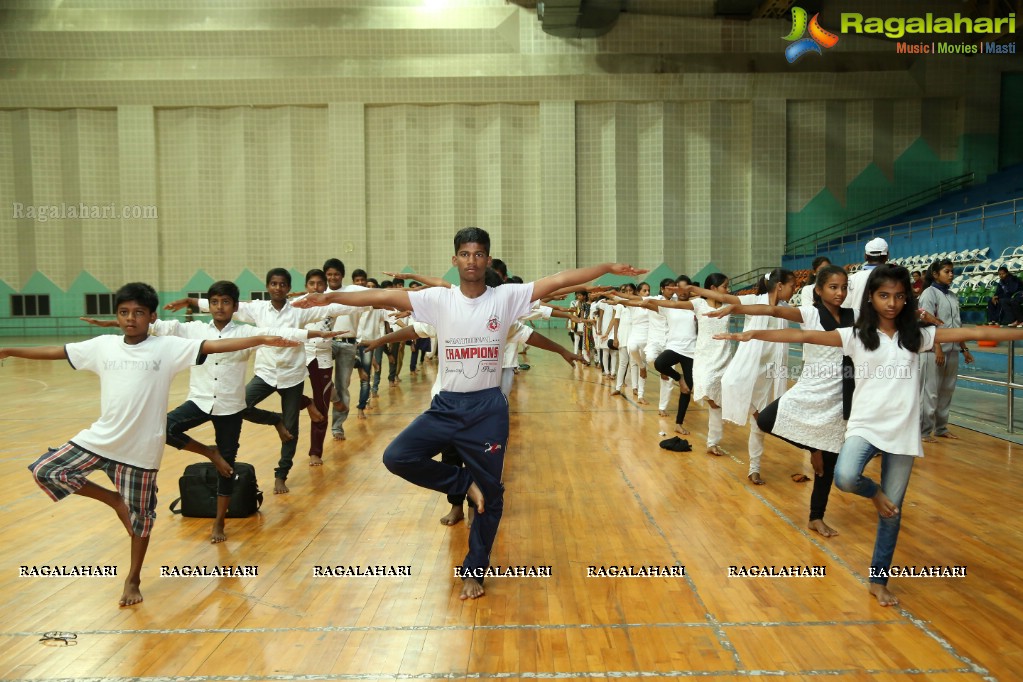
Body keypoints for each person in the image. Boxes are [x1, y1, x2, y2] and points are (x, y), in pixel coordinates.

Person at [295, 226, 645, 600]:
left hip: (487, 408)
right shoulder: (439, 300)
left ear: (487, 260)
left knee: (492, 498)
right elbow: (381, 295)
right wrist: (331, 299)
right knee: (397, 456)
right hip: (447, 405)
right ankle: (464, 486)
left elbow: (560, 279)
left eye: (478, 254)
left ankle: (474, 571)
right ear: (455, 260)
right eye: (465, 254)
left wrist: (607, 267)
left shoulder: (507, 297)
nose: (472, 261)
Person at [715, 264, 1023, 606]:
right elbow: (802, 335)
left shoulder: (916, 337)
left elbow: (968, 333)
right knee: (845, 477)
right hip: (864, 427)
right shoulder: (857, 335)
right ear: (872, 299)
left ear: (907, 300)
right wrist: (751, 333)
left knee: (893, 513)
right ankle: (874, 493)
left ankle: (879, 579)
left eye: (899, 296)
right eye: (883, 296)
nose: (891, 303)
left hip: (903, 434)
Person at [10, 282, 297, 606]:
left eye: (138, 312)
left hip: (141, 452)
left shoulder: (167, 348)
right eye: (124, 312)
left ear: (151, 316)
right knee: (46, 470)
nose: (130, 318)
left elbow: (214, 347)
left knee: (142, 521)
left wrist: (260, 338)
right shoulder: (103, 346)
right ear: (117, 315)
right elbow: (58, 352)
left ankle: (133, 579)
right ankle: (114, 500)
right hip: (100, 439)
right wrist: (7, 350)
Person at [83, 279, 335, 541]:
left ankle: (219, 523)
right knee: (163, 428)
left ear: (235, 307)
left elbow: (282, 332)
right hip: (200, 400)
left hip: (230, 408)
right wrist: (112, 323)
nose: (219, 307)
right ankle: (209, 452)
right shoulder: (192, 330)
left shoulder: (244, 334)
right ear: (209, 305)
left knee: (227, 466)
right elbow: (155, 325)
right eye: (214, 302)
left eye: (225, 302)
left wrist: (318, 335)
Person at [166, 268, 362, 493]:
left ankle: (282, 474)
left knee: (291, 430)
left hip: (292, 376)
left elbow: (333, 307)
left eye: (282, 284)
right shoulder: (256, 309)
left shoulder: (299, 310)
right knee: (242, 406)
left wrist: (372, 302)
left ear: (288, 288)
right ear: (268, 286)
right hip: (266, 373)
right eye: (273, 284)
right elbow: (221, 303)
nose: (278, 288)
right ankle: (277, 419)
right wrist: (190, 300)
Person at [707, 265, 853, 537]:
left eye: (844, 287)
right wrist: (735, 309)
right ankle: (813, 448)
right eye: (833, 287)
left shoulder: (853, 316)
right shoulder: (809, 313)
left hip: (840, 392)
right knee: (765, 419)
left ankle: (816, 517)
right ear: (818, 290)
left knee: (829, 465)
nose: (840, 293)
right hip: (810, 387)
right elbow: (772, 310)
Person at [684, 268, 797, 484]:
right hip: (749, 366)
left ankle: (754, 468)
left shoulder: (786, 309)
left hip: (772, 371)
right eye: (792, 286)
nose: (795, 290)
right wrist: (693, 289)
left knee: (760, 422)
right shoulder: (753, 300)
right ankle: (744, 415)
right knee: (731, 387)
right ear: (780, 286)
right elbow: (724, 297)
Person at [918, 259, 973, 441]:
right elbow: (926, 322)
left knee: (947, 390)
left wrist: (964, 348)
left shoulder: (952, 296)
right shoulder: (929, 294)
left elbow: (957, 325)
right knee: (931, 391)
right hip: (934, 351)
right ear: (935, 274)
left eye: (952, 271)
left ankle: (941, 428)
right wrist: (937, 347)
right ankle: (924, 432)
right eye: (947, 271)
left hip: (953, 349)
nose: (951, 274)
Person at [323, 260, 368, 441]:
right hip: (328, 343)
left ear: (342, 275)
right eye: (329, 274)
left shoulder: (353, 291)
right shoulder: (322, 294)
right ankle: (332, 403)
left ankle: (337, 427)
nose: (333, 277)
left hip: (349, 344)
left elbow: (378, 295)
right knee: (321, 379)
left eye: (336, 274)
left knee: (343, 385)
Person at [843, 237, 888, 312]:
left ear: (865, 256)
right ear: (887, 256)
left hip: (857, 322)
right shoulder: (894, 278)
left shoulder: (852, 278)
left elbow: (845, 306)